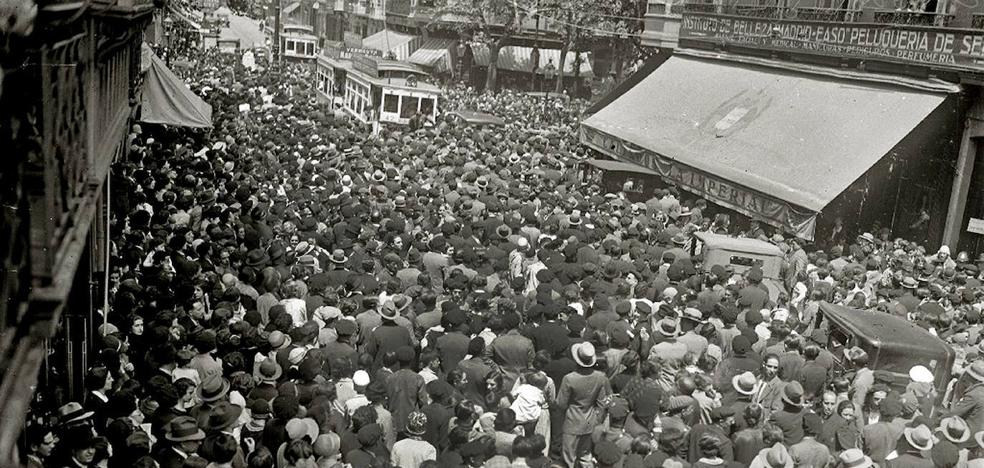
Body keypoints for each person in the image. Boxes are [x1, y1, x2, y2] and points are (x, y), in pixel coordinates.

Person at [557, 342, 612, 468]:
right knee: (585, 456)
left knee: (568, 458)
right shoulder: (600, 377)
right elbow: (601, 402)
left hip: (572, 420)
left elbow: (561, 403)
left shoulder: (569, 378)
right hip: (590, 420)